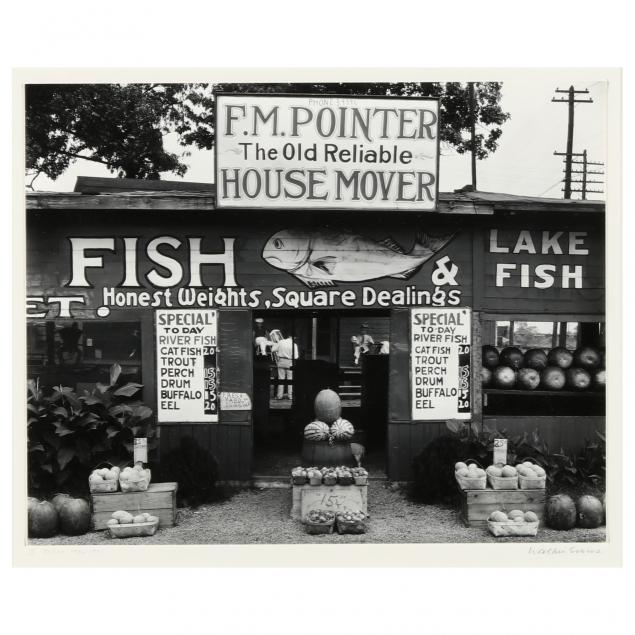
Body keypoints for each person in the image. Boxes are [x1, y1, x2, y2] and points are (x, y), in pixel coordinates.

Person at [269, 329, 299, 399]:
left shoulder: (281, 342)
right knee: (290, 379)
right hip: (289, 362)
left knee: (281, 379)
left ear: (288, 336)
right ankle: (290, 396)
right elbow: (296, 357)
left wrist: (275, 344)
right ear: (294, 337)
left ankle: (279, 396)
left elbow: (273, 350)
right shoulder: (294, 345)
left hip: (281, 361)